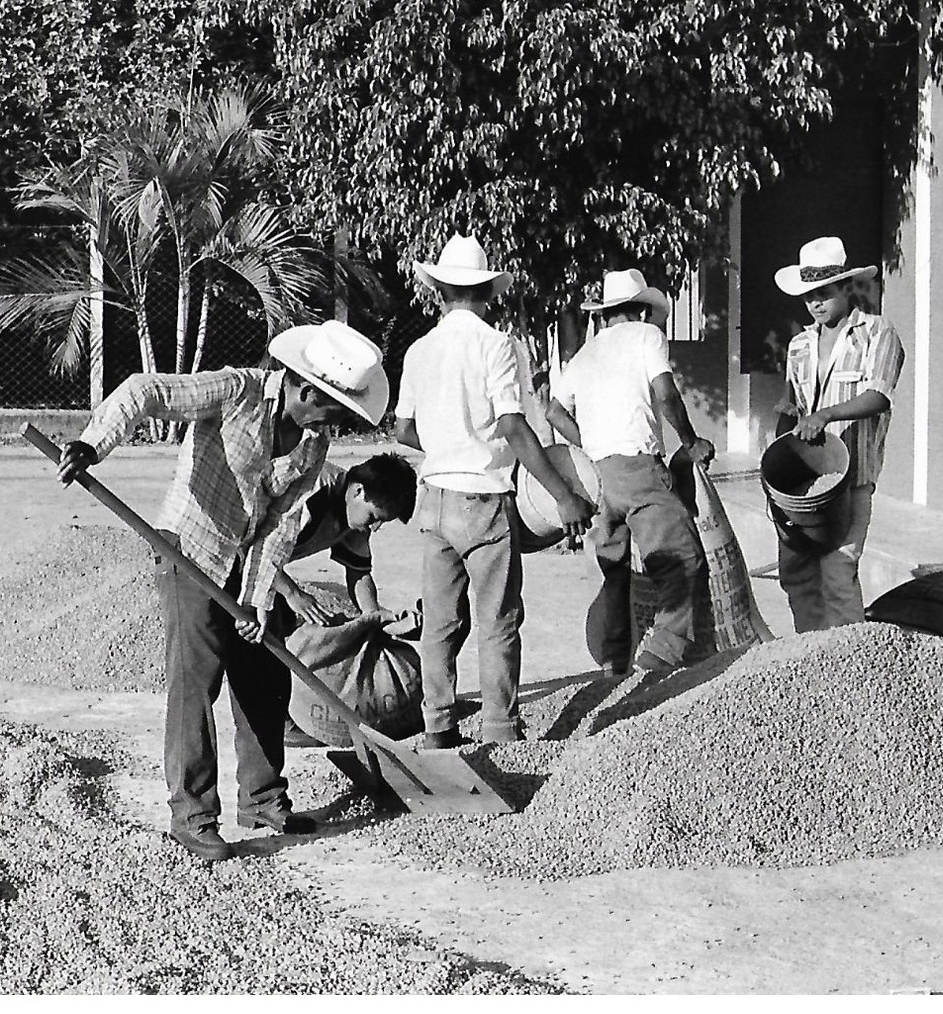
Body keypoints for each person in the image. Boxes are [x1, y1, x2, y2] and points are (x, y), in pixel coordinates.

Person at [56, 319, 390, 862]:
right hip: (189, 549)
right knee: (197, 681)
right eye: (333, 409)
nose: (338, 423)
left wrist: (258, 600)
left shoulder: (312, 444)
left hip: (244, 559)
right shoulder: (238, 391)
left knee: (263, 675)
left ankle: (263, 800)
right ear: (306, 390)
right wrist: (93, 445)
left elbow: (280, 523)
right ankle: (193, 815)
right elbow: (147, 391)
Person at [392, 232, 594, 749]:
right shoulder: (497, 345)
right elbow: (511, 424)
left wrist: (446, 442)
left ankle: (438, 727)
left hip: (433, 496)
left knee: (439, 623)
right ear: (487, 294)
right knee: (498, 619)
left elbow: (404, 431)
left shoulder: (420, 350)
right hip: (483, 496)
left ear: (438, 291)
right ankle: (500, 731)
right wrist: (563, 494)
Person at [545, 268, 715, 674]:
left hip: (597, 476)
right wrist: (691, 443)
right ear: (641, 311)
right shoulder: (647, 337)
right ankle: (660, 659)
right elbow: (666, 393)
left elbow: (554, 411)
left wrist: (590, 442)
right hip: (638, 470)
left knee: (615, 575)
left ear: (604, 315)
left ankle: (613, 663)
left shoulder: (585, 354)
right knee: (683, 562)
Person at [772, 236, 904, 633]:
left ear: (847, 288)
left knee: (838, 569)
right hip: (803, 485)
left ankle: (849, 658)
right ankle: (811, 653)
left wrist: (826, 415)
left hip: (851, 478)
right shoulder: (799, 345)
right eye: (809, 295)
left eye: (824, 293)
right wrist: (774, 475)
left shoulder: (877, 333)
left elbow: (878, 395)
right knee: (796, 573)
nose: (815, 303)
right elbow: (790, 408)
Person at [251, 451, 421, 748]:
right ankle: (274, 723)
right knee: (265, 636)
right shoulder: (312, 495)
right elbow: (255, 547)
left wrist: (375, 618)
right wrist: (293, 593)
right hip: (229, 557)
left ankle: (282, 715)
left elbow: (358, 574)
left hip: (263, 568)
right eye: (374, 518)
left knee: (281, 630)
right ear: (357, 491)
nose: (374, 528)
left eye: (382, 523)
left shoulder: (355, 517)